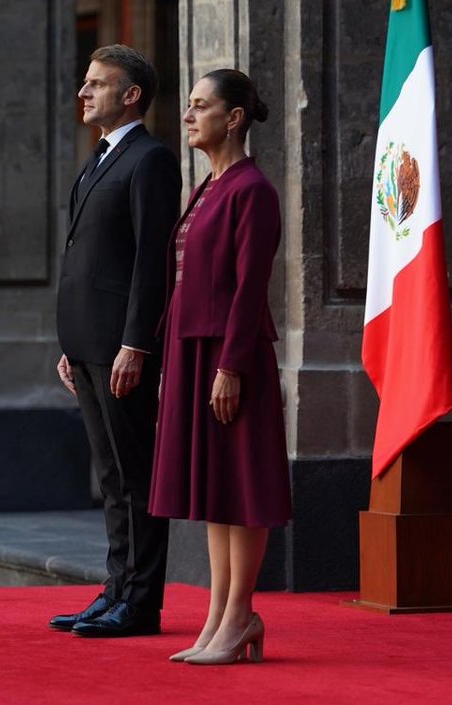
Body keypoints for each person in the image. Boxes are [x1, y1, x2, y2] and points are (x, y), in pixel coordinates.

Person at [150, 69, 292, 665]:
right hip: (193, 350)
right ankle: (217, 615)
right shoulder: (206, 187)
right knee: (214, 489)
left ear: (233, 118)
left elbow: (249, 287)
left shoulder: (251, 190)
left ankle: (240, 615)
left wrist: (231, 366)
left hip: (230, 354)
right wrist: (166, 356)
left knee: (241, 485)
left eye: (199, 106)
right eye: (188, 106)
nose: (188, 116)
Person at [50, 45, 181, 638]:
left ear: (131, 95)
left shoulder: (150, 159)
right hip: (86, 342)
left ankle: (142, 601)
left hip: (121, 346)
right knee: (108, 474)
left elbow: (151, 261)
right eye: (85, 82)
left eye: (98, 84)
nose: (84, 93)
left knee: (133, 473)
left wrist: (136, 343)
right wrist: (70, 341)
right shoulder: (97, 157)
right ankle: (113, 590)